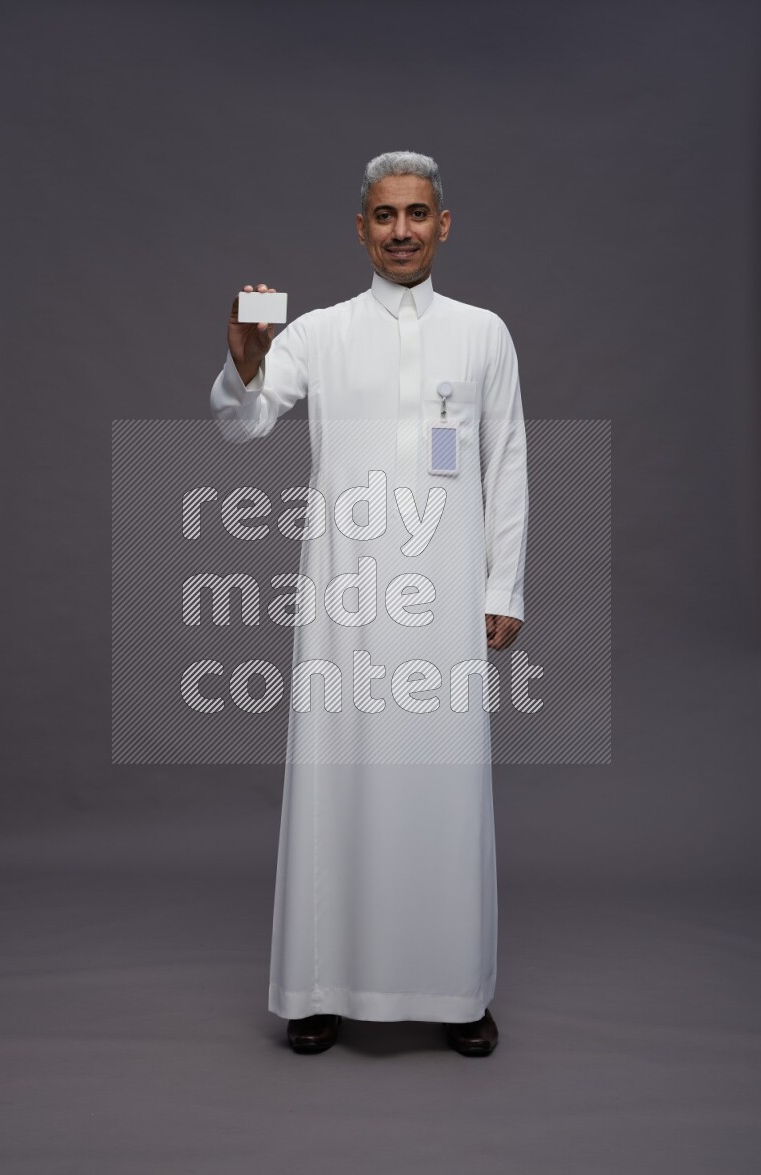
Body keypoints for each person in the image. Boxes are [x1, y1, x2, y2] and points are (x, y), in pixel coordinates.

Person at [209, 150, 528, 1056]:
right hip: (344, 596)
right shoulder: (316, 333)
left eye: (416, 214)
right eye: (384, 216)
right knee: (334, 781)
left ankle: (457, 988)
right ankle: (317, 986)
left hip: (449, 594)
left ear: (443, 224)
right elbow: (244, 422)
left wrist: (504, 584)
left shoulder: (483, 333)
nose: (400, 231)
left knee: (445, 784)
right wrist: (243, 365)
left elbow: (506, 465)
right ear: (360, 229)